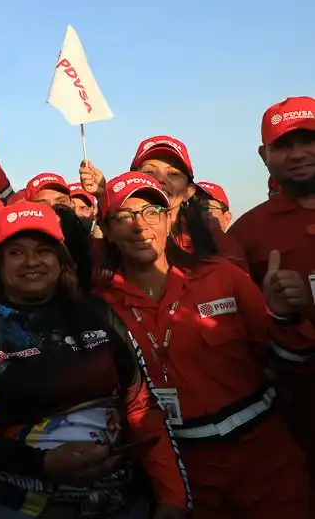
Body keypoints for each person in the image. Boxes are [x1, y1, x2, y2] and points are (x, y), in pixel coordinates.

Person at [0, 200, 189, 519]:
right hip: (27, 509)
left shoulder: (99, 313)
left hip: (123, 503)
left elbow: (141, 407)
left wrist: (172, 498)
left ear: (61, 259)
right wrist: (42, 465)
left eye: (43, 251)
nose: (31, 262)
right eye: (16, 252)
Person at [96, 171, 315, 519]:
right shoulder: (99, 307)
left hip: (265, 457)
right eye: (124, 216)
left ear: (169, 218)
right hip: (183, 468)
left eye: (151, 211)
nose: (140, 226)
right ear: (105, 230)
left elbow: (287, 358)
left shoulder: (222, 276)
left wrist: (285, 317)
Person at [228, 96, 315, 496]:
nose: (298, 154)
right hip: (301, 406)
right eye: (284, 145)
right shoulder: (246, 234)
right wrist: (280, 315)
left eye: (308, 140)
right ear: (264, 156)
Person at [79, 135, 248, 271]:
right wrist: (104, 198)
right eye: (149, 171)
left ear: (189, 190)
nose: (160, 180)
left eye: (173, 174)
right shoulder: (120, 238)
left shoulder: (216, 242)